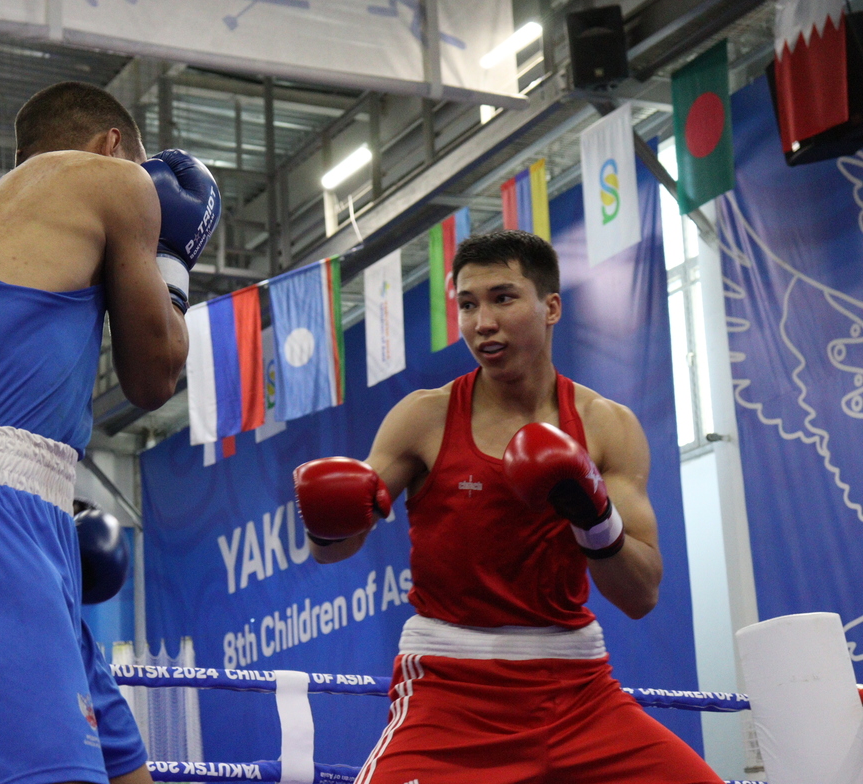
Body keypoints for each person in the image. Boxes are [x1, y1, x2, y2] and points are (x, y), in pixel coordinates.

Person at [0, 81, 220, 784]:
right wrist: (171, 258)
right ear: (112, 146)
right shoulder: (115, 181)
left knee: (127, 775)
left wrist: (24, 498)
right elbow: (153, 378)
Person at [293, 230, 721, 783]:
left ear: (551, 307)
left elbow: (641, 595)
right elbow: (334, 550)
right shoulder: (424, 418)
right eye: (467, 304)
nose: (481, 322)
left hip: (578, 692)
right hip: (450, 690)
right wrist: (327, 524)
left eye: (502, 298)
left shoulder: (605, 425)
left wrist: (595, 519)